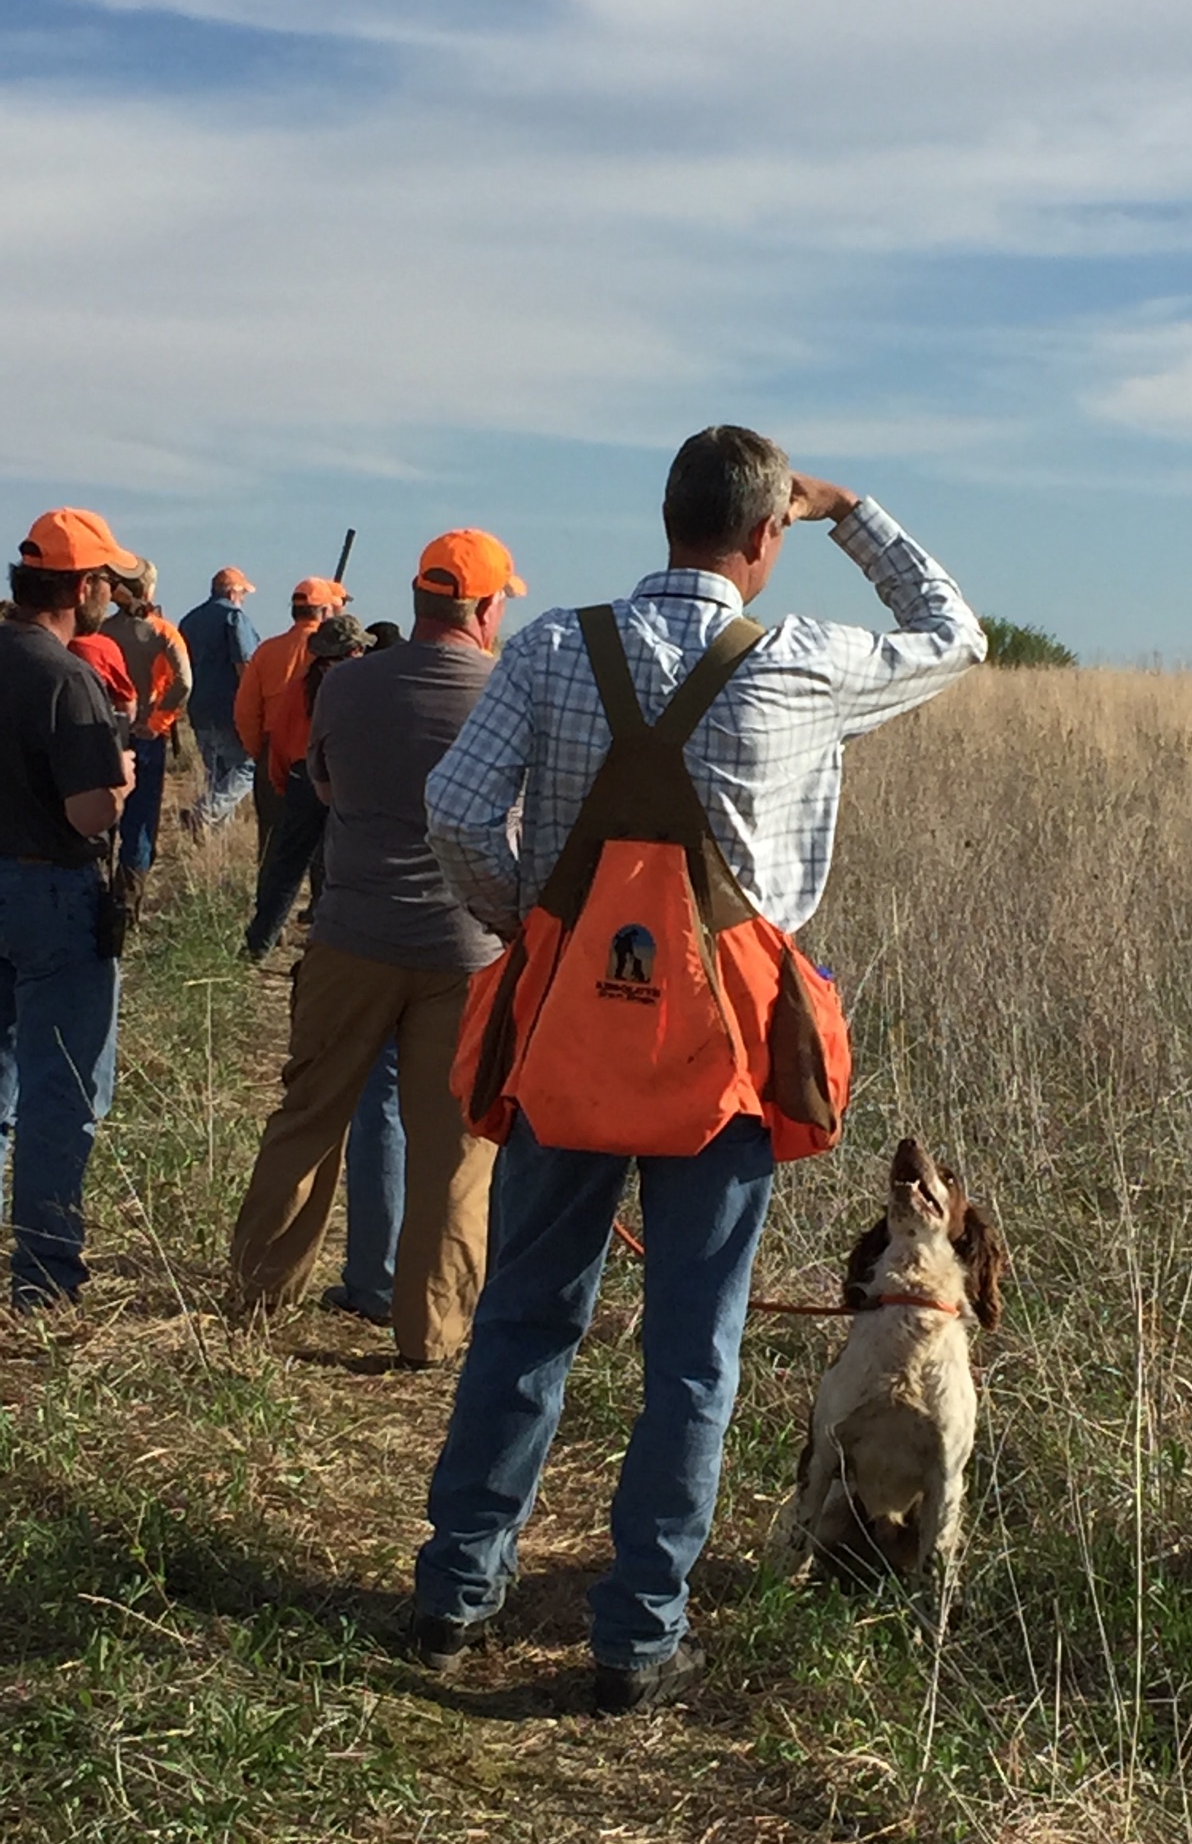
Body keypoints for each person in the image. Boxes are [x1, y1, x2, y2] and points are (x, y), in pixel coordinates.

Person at [411, 425, 985, 1711]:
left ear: (662, 515)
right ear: (767, 534)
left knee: (522, 1316)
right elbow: (957, 634)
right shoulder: (805, 657)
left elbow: (454, 808)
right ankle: (636, 1636)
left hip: (569, 1036)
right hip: (726, 1065)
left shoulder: (556, 642)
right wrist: (861, 515)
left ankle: (454, 1593)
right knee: (692, 1351)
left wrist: (526, 926)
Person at [227, 529, 525, 1367]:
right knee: (458, 1146)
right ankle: (432, 1333)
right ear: (488, 608)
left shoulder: (347, 686)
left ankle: (257, 1299)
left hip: (350, 934)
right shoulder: (507, 695)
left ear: (420, 600)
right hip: (464, 950)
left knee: (309, 1116)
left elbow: (317, 786)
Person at [0, 508, 139, 1309]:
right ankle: (43, 1279)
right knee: (63, 1093)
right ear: (82, 587)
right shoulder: (66, 677)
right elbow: (92, 812)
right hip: (51, 893)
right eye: (105, 583)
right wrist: (118, 774)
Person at [242, 613, 373, 961]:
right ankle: (333, 947)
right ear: (355, 650)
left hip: (303, 780)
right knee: (338, 867)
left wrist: (284, 779)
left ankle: (260, 942)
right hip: (345, 782)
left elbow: (281, 739)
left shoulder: (300, 685)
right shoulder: (362, 687)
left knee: (287, 866)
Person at [100, 561, 193, 921]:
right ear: (149, 590)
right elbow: (184, 682)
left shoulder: (102, 631)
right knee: (139, 820)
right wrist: (157, 719)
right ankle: (128, 903)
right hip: (147, 735)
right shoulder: (163, 632)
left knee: (105, 814)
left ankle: (100, 889)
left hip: (109, 731)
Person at [235, 578, 350, 867]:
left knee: (273, 842)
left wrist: (259, 751)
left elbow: (245, 710)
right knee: (325, 843)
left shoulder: (266, 651)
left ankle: (268, 907)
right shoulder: (335, 654)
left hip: (274, 752)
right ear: (324, 612)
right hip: (324, 756)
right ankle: (316, 908)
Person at [179, 567, 260, 830]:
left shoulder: (189, 621)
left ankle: (215, 840)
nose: (244, 599)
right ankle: (204, 813)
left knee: (218, 776)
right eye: (243, 593)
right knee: (248, 768)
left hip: (199, 708)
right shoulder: (234, 618)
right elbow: (244, 664)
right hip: (231, 708)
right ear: (233, 592)